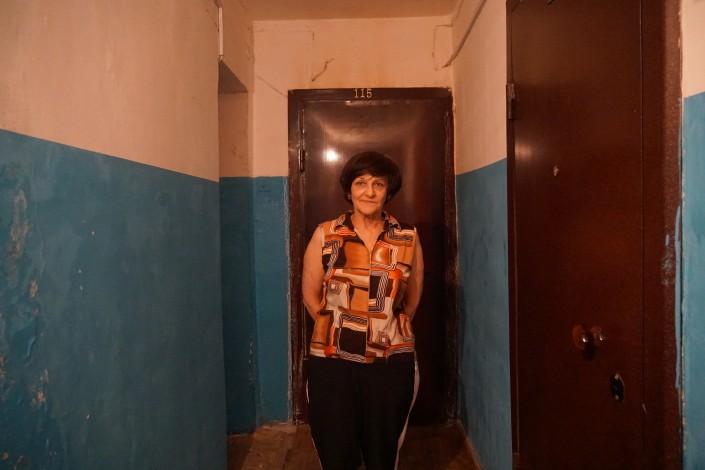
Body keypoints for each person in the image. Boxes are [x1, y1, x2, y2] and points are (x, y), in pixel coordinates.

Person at [302, 151, 424, 470]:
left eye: (378, 184)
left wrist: (383, 328)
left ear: (388, 191)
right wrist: (342, 332)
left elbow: (411, 299)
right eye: (361, 183)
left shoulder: (407, 237)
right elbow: (311, 296)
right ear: (349, 190)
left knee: (383, 451)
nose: (369, 192)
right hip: (332, 360)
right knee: (336, 448)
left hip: (390, 360)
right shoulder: (326, 234)